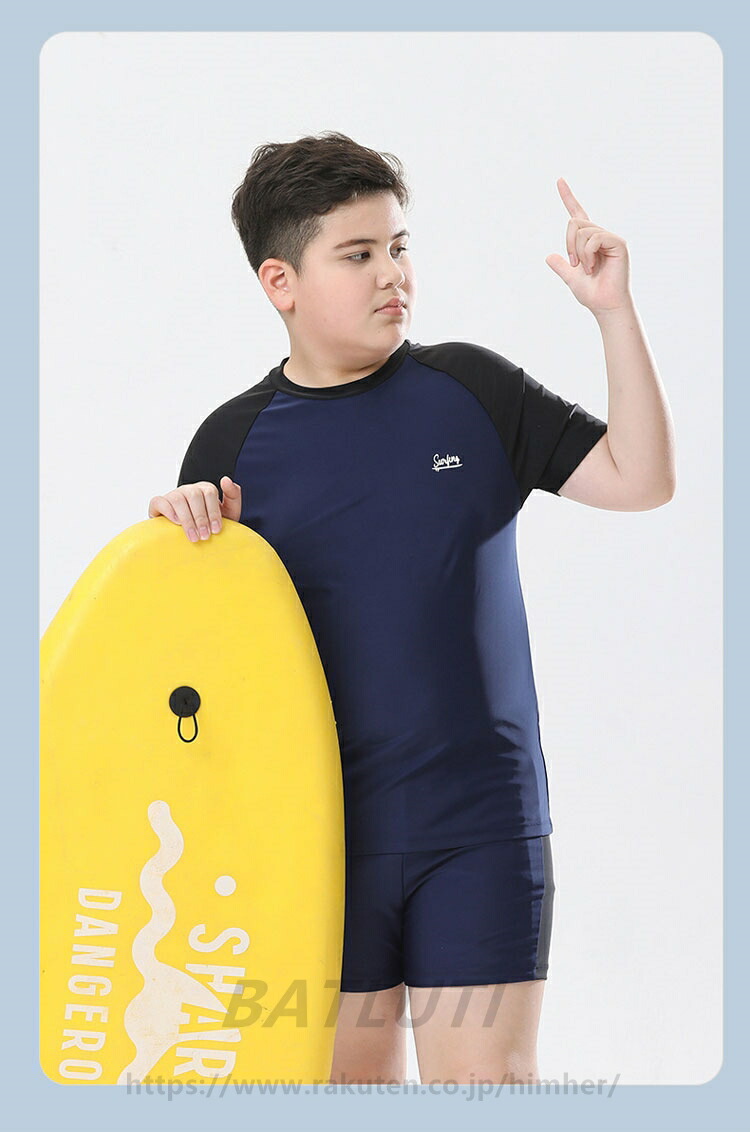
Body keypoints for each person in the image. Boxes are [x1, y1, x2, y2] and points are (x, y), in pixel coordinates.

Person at [148, 131, 676, 1086]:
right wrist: (174, 540)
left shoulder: (470, 390)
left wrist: (614, 314)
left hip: (480, 827)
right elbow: (192, 672)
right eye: (358, 254)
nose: (393, 274)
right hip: (313, 834)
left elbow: (641, 479)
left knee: (488, 1093)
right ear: (280, 282)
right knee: (348, 1098)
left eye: (398, 246)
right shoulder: (231, 445)